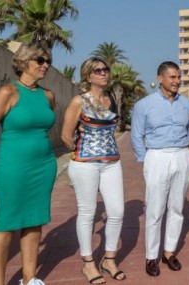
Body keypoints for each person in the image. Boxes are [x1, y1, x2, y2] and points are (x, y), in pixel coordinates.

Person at [0, 43, 57, 285]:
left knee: (34, 220)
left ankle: (29, 278)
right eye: (40, 60)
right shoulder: (8, 93)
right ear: (24, 62)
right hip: (12, 167)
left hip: (43, 166)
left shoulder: (48, 96)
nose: (45, 65)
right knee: (6, 223)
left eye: (48, 61)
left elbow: (42, 129)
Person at [61, 57, 125, 284]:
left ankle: (109, 259)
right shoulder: (79, 101)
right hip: (85, 164)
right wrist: (80, 156)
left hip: (112, 163)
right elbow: (66, 135)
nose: (104, 73)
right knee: (87, 212)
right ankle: (88, 263)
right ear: (88, 75)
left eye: (106, 70)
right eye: (98, 71)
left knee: (117, 211)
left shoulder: (112, 100)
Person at [130, 61, 189, 277]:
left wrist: (186, 152)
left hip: (182, 155)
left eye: (178, 77)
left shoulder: (187, 103)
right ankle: (151, 257)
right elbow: (136, 135)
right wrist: (145, 159)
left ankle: (169, 252)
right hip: (157, 156)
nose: (177, 81)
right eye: (172, 77)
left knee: (177, 208)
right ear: (160, 79)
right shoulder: (144, 105)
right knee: (155, 210)